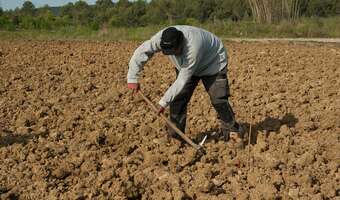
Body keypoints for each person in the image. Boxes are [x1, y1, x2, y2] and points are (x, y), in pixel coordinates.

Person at [127, 25, 244, 144]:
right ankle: (176, 137)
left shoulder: (193, 47)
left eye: (175, 51)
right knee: (178, 100)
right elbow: (142, 51)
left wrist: (162, 103)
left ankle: (233, 131)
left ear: (181, 43)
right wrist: (132, 78)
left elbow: (182, 80)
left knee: (218, 99)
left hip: (213, 63)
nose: (173, 54)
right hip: (185, 66)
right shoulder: (161, 39)